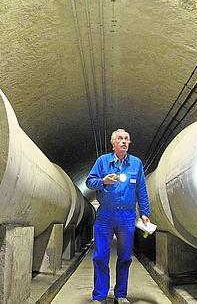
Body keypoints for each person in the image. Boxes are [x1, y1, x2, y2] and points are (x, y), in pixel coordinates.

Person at [86, 128, 151, 304]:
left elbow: (141, 190)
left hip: (127, 216)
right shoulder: (102, 161)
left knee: (125, 256)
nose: (123, 141)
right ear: (113, 143)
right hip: (105, 215)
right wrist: (103, 182)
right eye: (120, 139)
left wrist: (145, 213)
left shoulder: (136, 163)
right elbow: (89, 182)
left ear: (129, 143)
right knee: (100, 256)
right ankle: (99, 297)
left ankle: (121, 294)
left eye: (126, 139)